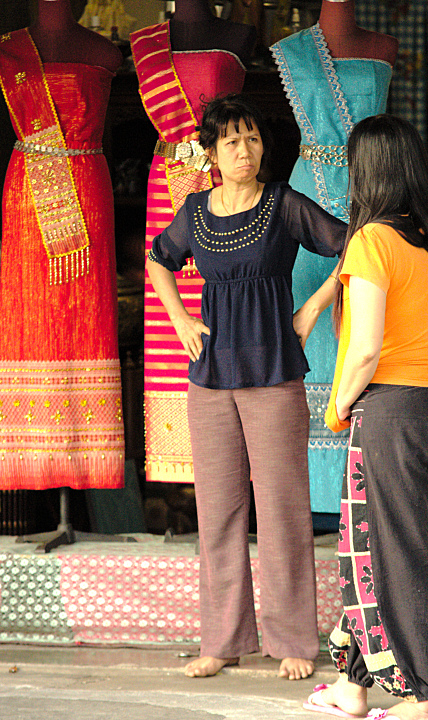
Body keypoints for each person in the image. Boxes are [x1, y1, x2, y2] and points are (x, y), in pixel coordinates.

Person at [146, 93, 347, 680]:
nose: (244, 150)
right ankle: (222, 640)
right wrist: (181, 320)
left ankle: (292, 641)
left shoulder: (283, 204)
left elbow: (355, 244)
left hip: (274, 375)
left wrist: (313, 308)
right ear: (211, 153)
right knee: (218, 512)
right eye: (231, 141)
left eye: (252, 138)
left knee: (282, 510)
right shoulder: (195, 211)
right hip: (210, 378)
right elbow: (158, 259)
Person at [298, 114, 428, 719]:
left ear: (366, 172)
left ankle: (425, 697)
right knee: (374, 551)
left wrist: (340, 403)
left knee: (394, 558)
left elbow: (365, 347)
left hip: (390, 411)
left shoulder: (371, 241)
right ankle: (353, 685)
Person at [271, 0, 398, 528]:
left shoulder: (384, 47)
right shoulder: (291, 51)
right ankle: (312, 490)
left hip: (371, 189)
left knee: (369, 328)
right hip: (309, 198)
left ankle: (362, 476)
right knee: (314, 338)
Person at [0, 0, 125, 491]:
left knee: (87, 318)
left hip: (88, 186)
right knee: (29, 317)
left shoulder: (105, 52)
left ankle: (89, 458)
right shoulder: (10, 52)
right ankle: (28, 459)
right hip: (28, 198)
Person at [130, 0, 256, 484]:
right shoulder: (145, 44)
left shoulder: (239, 34)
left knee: (227, 303)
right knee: (169, 310)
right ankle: (178, 458)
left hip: (219, 180)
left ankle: (230, 443)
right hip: (165, 186)